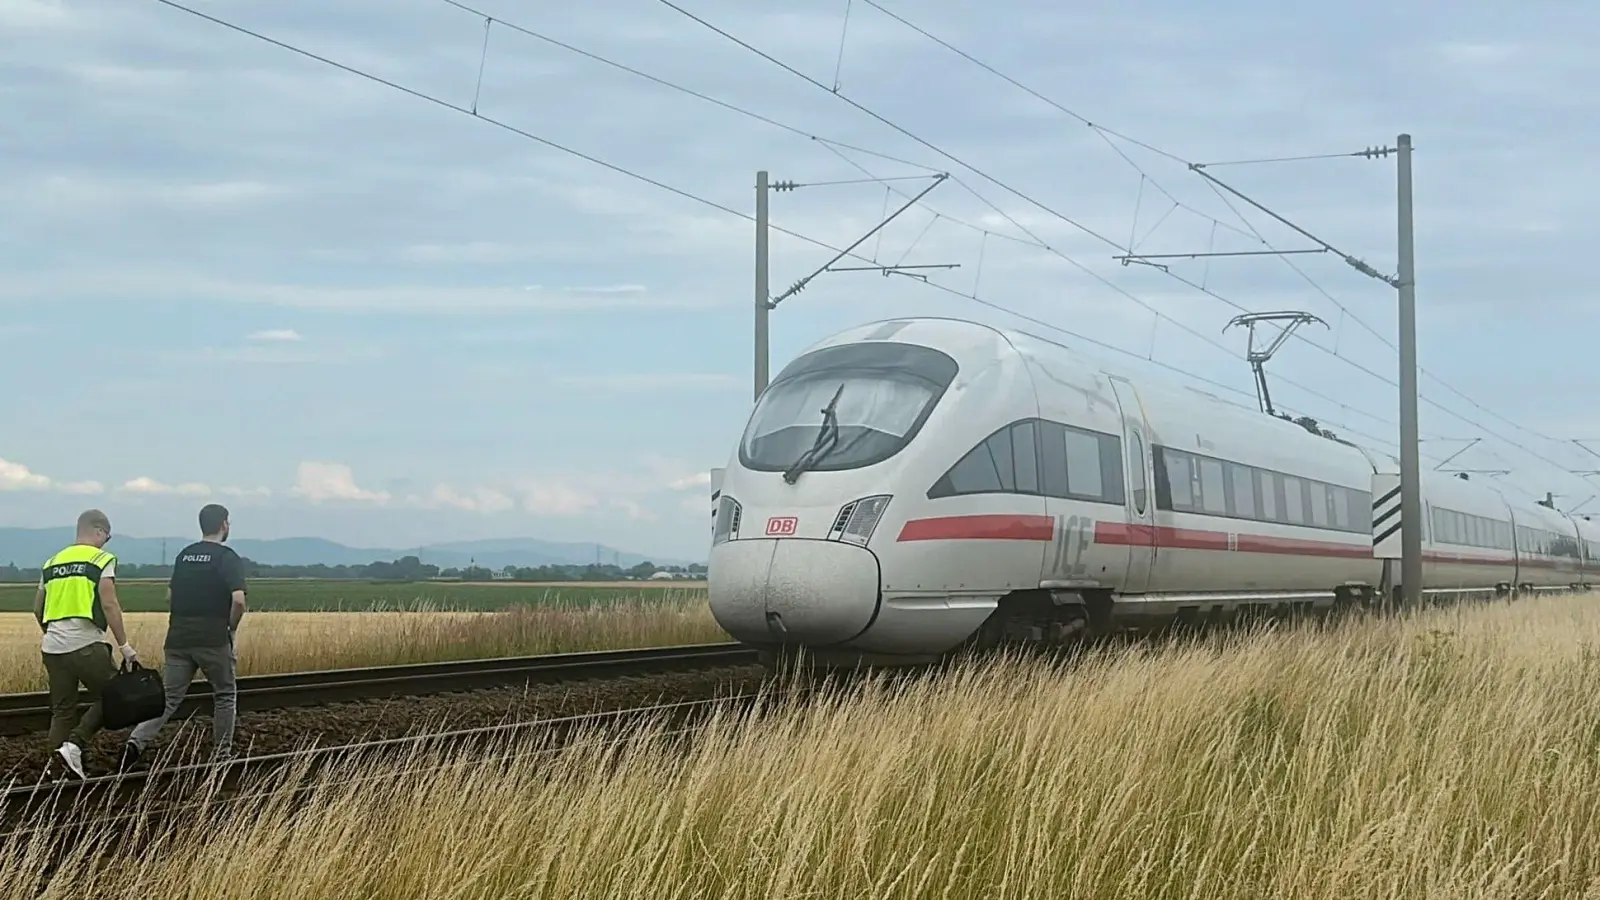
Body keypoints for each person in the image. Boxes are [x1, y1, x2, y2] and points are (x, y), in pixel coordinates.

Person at [122, 503, 247, 770]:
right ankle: (221, 756)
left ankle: (136, 741)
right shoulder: (227, 558)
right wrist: (231, 628)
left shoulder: (184, 556)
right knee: (225, 694)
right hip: (213, 638)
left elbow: (169, 595)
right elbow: (238, 600)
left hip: (178, 637)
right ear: (224, 525)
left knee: (168, 698)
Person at [36, 508, 137, 780]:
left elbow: (38, 608)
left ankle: (55, 770)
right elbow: (109, 604)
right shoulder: (100, 559)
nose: (107, 542)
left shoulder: (52, 562)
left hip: (52, 648)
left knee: (62, 711)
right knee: (116, 695)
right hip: (85, 644)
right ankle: (75, 744)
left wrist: (53, 632)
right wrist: (125, 646)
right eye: (108, 536)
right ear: (99, 531)